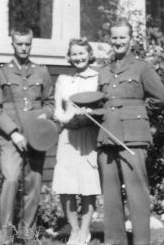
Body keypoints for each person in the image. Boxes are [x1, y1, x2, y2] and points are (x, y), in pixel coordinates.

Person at [96, 19, 164, 245]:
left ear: (130, 39)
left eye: (122, 37)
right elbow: (101, 102)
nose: (118, 41)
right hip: (107, 136)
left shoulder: (142, 67)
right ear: (110, 39)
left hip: (133, 137)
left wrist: (138, 113)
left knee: (137, 193)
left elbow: (160, 98)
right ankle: (114, 241)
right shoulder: (103, 71)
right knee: (110, 195)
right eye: (114, 37)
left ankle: (141, 242)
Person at [0, 27, 54, 244]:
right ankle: (6, 236)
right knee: (10, 180)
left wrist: (45, 115)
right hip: (11, 138)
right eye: (20, 44)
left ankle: (27, 234)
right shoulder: (1, 72)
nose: (24, 48)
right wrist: (13, 133)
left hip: (36, 136)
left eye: (27, 44)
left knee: (33, 184)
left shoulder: (41, 71)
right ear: (13, 44)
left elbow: (50, 102)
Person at [51, 39, 101, 245]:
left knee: (88, 184)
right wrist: (68, 119)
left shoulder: (98, 77)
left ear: (89, 54)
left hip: (89, 135)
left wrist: (90, 114)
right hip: (68, 136)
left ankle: (85, 231)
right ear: (69, 57)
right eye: (74, 54)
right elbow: (57, 111)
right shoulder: (63, 80)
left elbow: (102, 108)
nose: (78, 57)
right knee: (66, 186)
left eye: (82, 53)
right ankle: (74, 229)